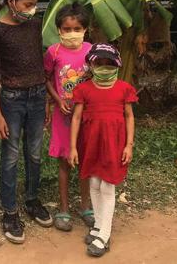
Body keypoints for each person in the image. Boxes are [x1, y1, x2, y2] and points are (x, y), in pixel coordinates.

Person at [0, 0, 53, 244]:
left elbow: (39, 64)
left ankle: (32, 200)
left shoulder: (35, 25)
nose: (31, 9)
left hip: (37, 96)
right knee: (11, 156)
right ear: (11, 2)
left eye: (34, 4)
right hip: (11, 100)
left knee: (34, 154)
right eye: (27, 4)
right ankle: (10, 212)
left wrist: (46, 100)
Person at [69, 43, 137, 257]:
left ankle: (104, 235)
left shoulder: (124, 89)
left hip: (114, 146)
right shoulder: (83, 90)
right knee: (94, 183)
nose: (104, 66)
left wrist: (129, 145)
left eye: (109, 63)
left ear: (117, 64)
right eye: (99, 62)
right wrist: (73, 147)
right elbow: (76, 118)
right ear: (91, 64)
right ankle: (98, 225)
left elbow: (129, 116)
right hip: (91, 145)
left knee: (107, 186)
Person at [44, 3, 94, 231]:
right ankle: (64, 209)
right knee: (64, 162)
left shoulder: (91, 51)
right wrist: (57, 99)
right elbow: (46, 78)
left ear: (85, 29)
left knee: (85, 160)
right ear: (59, 30)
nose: (72, 33)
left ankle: (86, 206)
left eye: (77, 29)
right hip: (63, 116)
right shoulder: (53, 52)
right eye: (67, 29)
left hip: (87, 116)